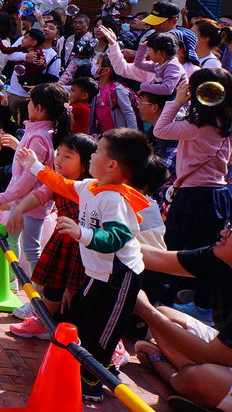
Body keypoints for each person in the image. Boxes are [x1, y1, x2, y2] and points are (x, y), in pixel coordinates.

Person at [16, 129, 154, 402]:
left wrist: (82, 233)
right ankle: (97, 364)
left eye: (98, 151)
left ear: (112, 164)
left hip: (119, 275)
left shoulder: (114, 199)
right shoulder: (92, 186)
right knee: (85, 320)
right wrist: (33, 165)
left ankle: (92, 380)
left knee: (104, 328)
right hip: (97, 273)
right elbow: (61, 184)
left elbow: (115, 237)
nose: (92, 155)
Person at [153, 70, 232, 324]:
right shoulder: (226, 125)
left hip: (193, 196)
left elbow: (160, 130)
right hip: (218, 195)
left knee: (175, 247)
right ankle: (202, 304)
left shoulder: (196, 126)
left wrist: (176, 100)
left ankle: (168, 301)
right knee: (207, 251)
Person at [133, 226, 232, 412]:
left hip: (218, 358)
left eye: (231, 230)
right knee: (166, 315)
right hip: (224, 355)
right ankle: (195, 390)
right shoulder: (221, 256)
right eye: (228, 225)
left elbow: (209, 355)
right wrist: (94, 237)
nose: (223, 232)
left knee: (204, 378)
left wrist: (145, 310)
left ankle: (167, 372)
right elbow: (156, 258)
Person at [9, 134, 96, 340]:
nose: (58, 160)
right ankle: (43, 321)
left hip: (81, 246)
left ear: (86, 164)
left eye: (67, 156)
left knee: (74, 291)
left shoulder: (87, 186)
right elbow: (40, 194)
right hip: (62, 241)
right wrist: (20, 208)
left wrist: (36, 166)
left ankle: (64, 327)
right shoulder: (57, 181)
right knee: (53, 284)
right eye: (58, 153)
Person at [0, 83, 73, 274]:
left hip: (32, 204)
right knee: (11, 240)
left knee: (31, 248)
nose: (27, 105)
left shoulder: (39, 137)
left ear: (39, 108)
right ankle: (11, 281)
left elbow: (29, 178)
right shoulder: (39, 133)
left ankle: (36, 294)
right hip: (24, 200)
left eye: (30, 102)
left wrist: (5, 197)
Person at [101, 26, 186, 98]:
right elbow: (134, 65)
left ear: (159, 52)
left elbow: (167, 89)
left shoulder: (173, 66)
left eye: (150, 49)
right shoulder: (158, 65)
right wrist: (113, 44)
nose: (148, 52)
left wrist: (144, 86)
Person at [137, 1, 200, 65]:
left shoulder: (181, 36)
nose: (155, 25)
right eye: (153, 21)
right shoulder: (151, 34)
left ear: (174, 21)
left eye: (159, 22)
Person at [89, 53, 139, 134]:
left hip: (118, 139)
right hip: (103, 137)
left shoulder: (117, 90)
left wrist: (133, 137)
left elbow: (129, 113)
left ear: (106, 70)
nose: (94, 65)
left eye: (97, 63)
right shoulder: (95, 87)